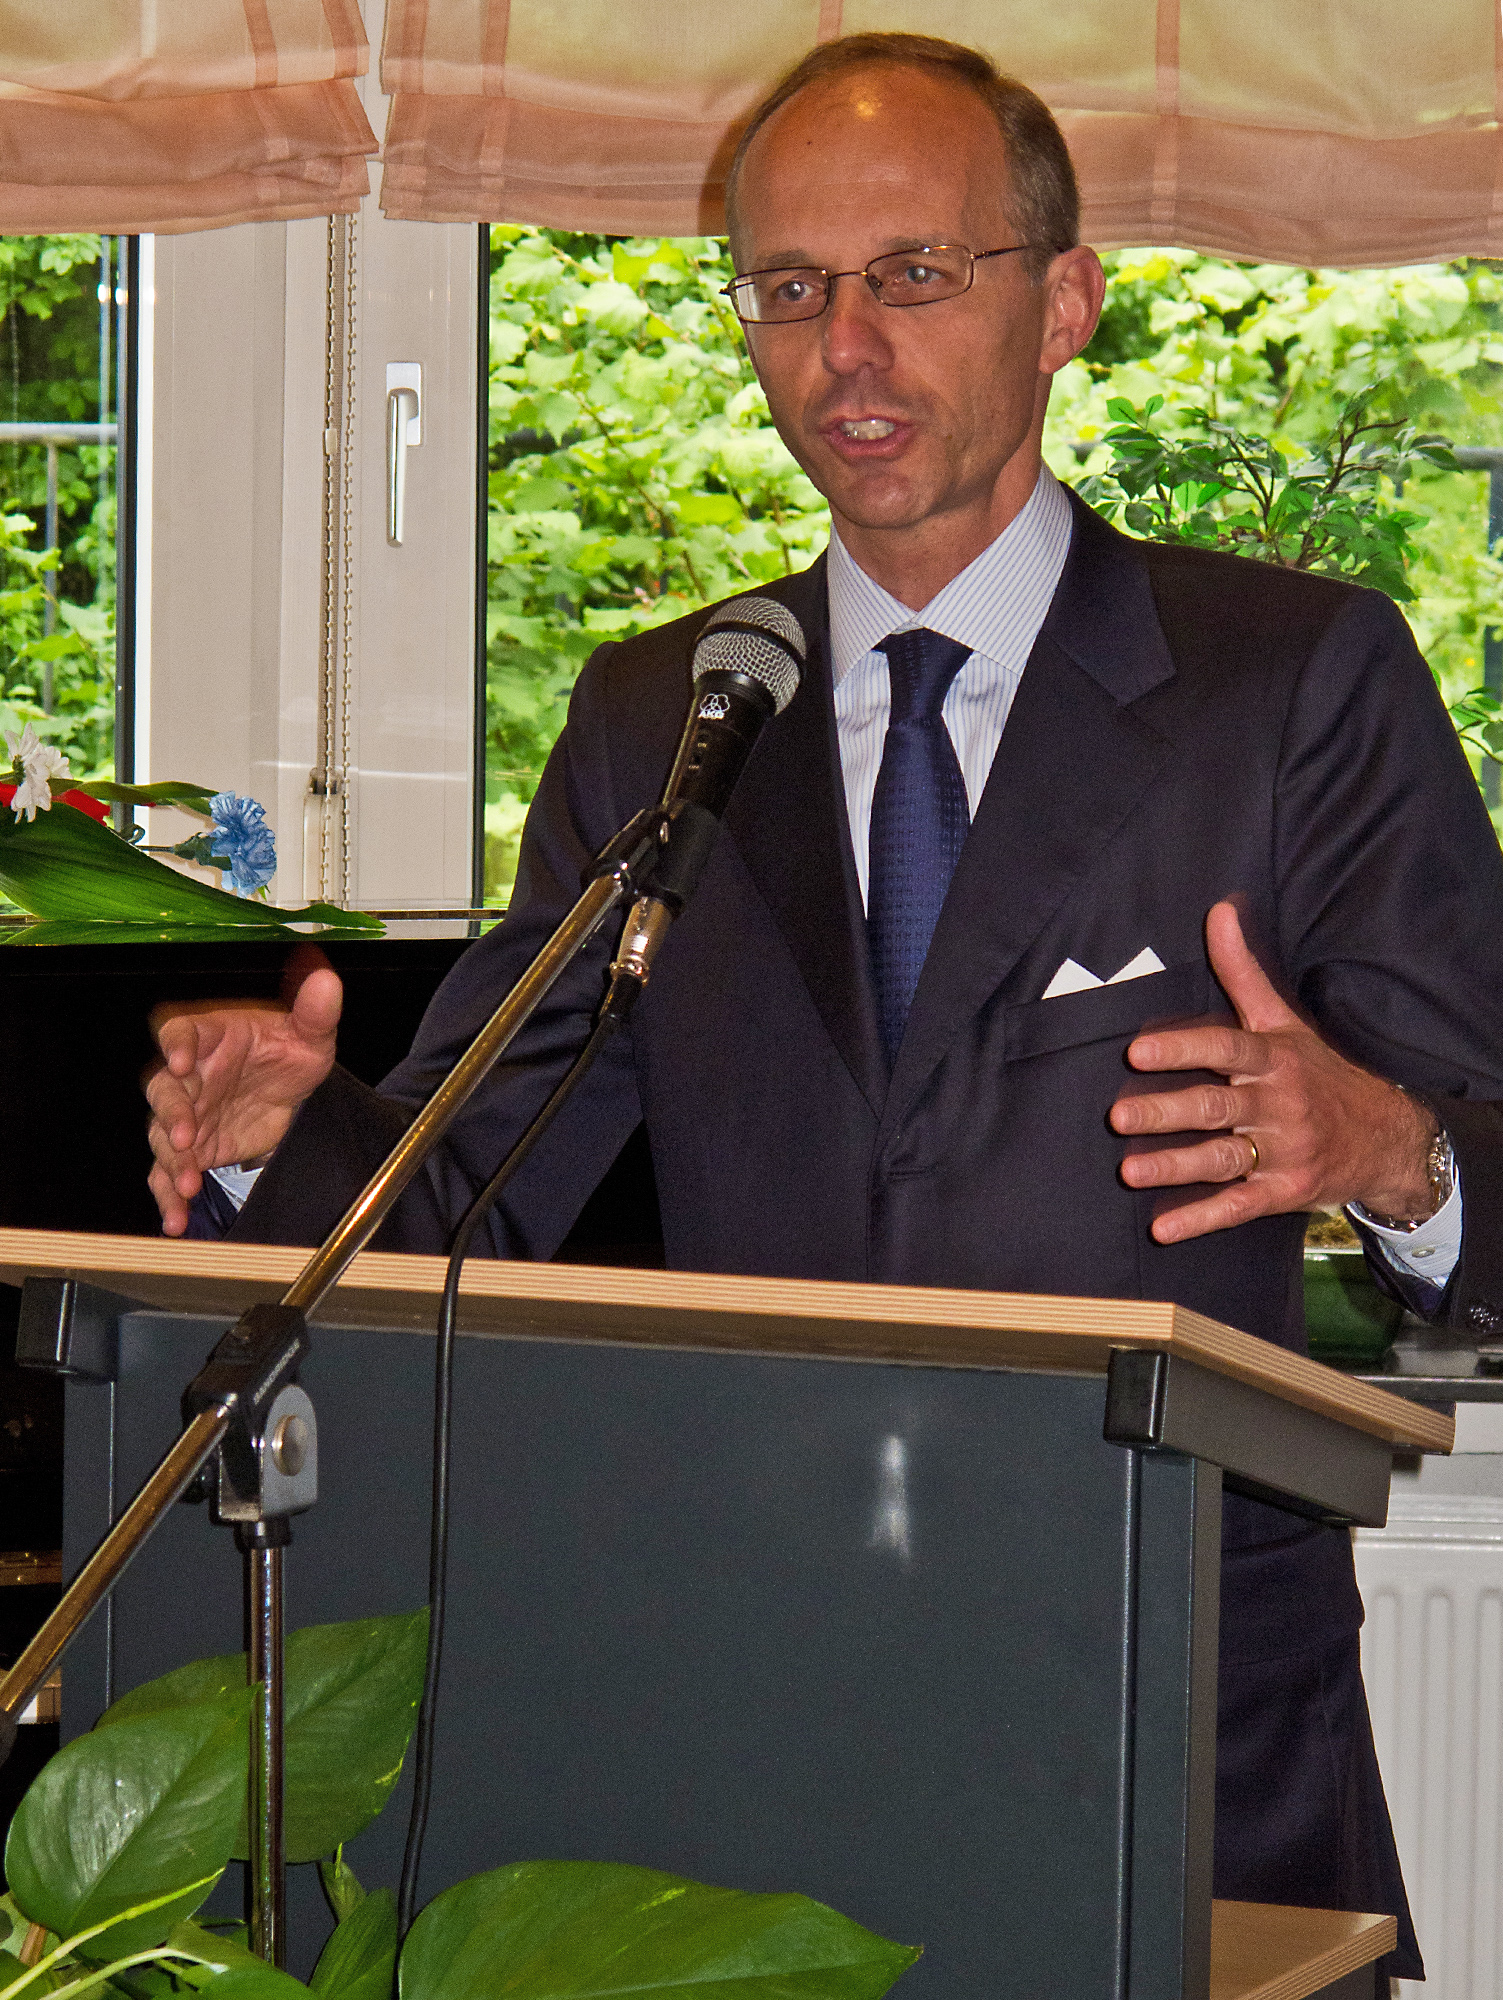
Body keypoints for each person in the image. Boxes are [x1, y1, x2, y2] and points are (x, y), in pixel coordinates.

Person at [145, 32, 1503, 1980]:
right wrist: (303, 1126)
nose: (840, 347)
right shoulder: (668, 712)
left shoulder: (1289, 682)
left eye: (910, 276)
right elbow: (469, 1195)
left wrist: (1377, 1143)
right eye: (786, 288)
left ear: (1065, 304)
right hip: (760, 1697)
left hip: (1167, 1687)